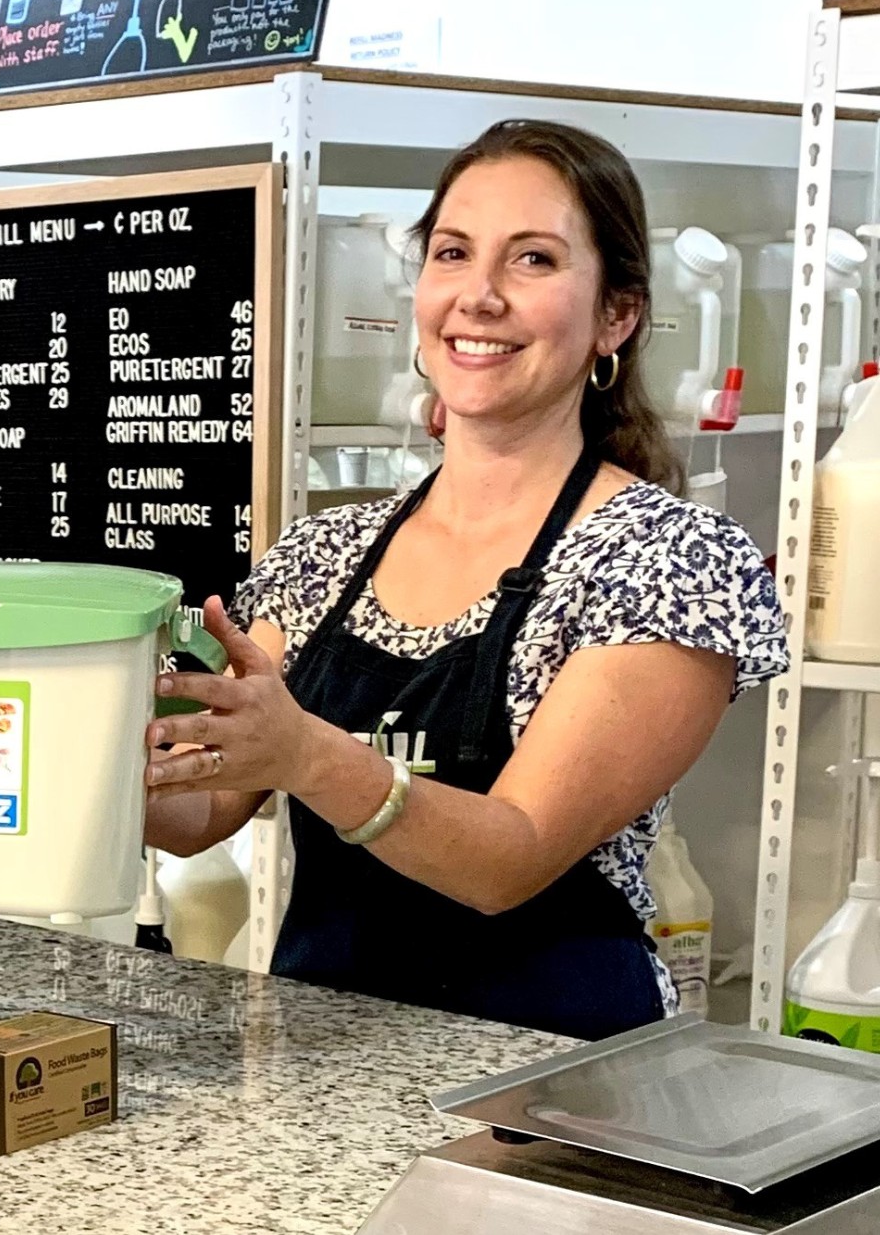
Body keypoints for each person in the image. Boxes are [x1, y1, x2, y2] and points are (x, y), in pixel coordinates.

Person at [144, 120, 788, 1040]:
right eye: (453, 253)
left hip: (557, 1089)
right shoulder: (326, 556)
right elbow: (199, 808)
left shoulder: (663, 562)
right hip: (327, 1071)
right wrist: (87, 743)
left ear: (617, 315)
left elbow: (508, 859)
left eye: (532, 260)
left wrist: (308, 754)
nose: (478, 296)